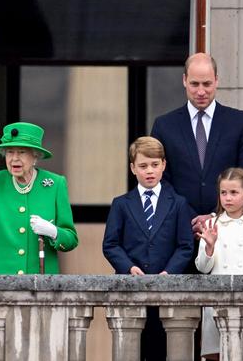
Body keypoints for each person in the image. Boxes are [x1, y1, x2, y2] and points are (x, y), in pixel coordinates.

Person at [0, 121, 78, 360]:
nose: (15, 158)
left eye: (22, 152)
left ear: (35, 157)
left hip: (40, 291)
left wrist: (53, 231)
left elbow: (71, 238)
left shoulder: (54, 185)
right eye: (10, 152)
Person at [151, 52, 243, 274]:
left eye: (207, 84)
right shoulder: (164, 125)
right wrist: (190, 216)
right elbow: (161, 180)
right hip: (178, 235)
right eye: (194, 84)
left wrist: (213, 216)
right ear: (184, 81)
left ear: (217, 80)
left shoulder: (239, 122)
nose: (201, 91)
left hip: (228, 233)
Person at [103, 136, 194, 361]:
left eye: (155, 165)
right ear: (133, 168)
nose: (149, 171)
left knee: (161, 350)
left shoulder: (178, 203)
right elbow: (110, 244)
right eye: (143, 166)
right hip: (130, 288)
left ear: (164, 165)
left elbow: (185, 246)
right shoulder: (121, 203)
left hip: (167, 291)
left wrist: (169, 273)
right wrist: (129, 267)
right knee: (130, 352)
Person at [195, 167, 243, 360]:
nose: (227, 198)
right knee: (218, 353)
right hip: (217, 301)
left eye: (233, 193)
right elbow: (202, 267)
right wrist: (209, 247)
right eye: (223, 193)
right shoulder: (212, 224)